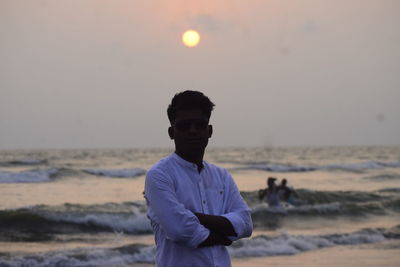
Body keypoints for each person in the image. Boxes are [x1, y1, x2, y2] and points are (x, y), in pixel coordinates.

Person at [144, 90, 253, 267]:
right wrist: (224, 235)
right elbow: (181, 231)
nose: (192, 131)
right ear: (172, 132)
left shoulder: (222, 176)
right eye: (184, 126)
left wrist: (195, 217)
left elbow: (246, 223)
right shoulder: (159, 175)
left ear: (209, 131)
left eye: (199, 124)